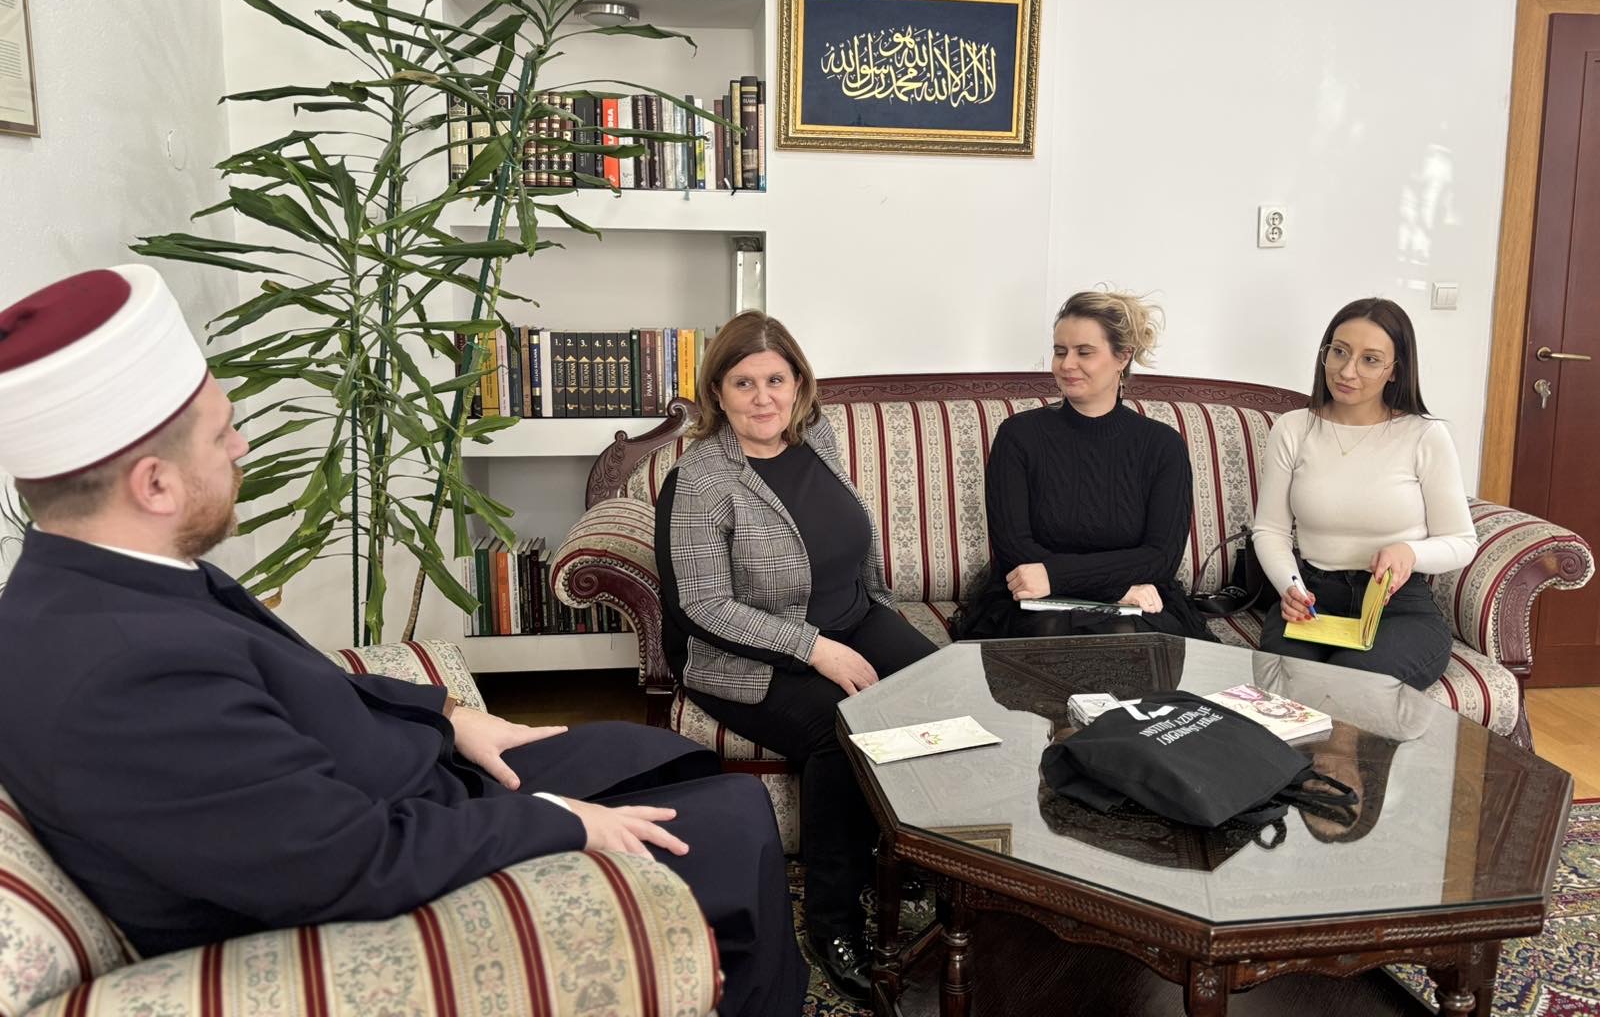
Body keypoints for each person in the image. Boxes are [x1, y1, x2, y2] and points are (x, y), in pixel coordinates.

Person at [0, 265, 806, 1016]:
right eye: (222, 435)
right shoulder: (120, 673)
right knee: (736, 821)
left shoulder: (109, 578)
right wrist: (564, 822)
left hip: (412, 773)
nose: (242, 448)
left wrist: (448, 715)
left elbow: (293, 680)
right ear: (154, 484)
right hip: (395, 847)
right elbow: (346, 862)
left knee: (672, 761)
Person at [653, 311, 937, 1003]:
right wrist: (814, 649)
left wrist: (877, 612)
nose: (763, 399)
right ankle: (832, 921)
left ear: (799, 385)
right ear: (717, 393)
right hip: (742, 655)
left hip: (851, 617)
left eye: (776, 380)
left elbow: (850, 539)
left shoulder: (818, 436)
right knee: (842, 731)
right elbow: (703, 607)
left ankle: (906, 859)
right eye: (743, 383)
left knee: (937, 689)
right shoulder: (700, 479)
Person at [1253, 297, 1478, 690]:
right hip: (1312, 600)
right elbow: (1270, 530)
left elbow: (1462, 542)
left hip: (1396, 608)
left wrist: (1410, 552)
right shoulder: (1293, 429)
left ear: (1395, 371)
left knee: (1352, 686)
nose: (1347, 370)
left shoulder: (1425, 435)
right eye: (1339, 352)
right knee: (1287, 689)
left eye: (1370, 360)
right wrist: (1291, 587)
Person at [960, 290, 1210, 640]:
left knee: (1125, 633)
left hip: (1133, 601)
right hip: (1033, 602)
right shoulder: (1019, 435)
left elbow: (1161, 557)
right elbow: (1014, 546)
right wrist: (1116, 588)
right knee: (1050, 631)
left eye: (1084, 352)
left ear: (1123, 356)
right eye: (1060, 351)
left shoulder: (1162, 445)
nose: (1066, 364)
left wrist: (1058, 576)